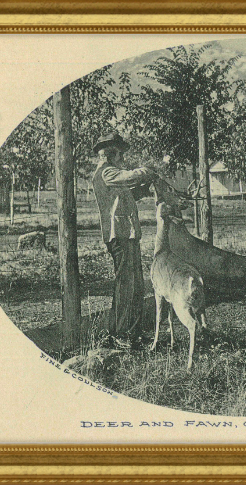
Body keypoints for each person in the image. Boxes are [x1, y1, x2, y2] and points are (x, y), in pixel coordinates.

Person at [92, 132, 158, 346]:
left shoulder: (113, 174)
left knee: (136, 285)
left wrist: (143, 189)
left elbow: (125, 194)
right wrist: (147, 171)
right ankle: (120, 334)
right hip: (118, 235)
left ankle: (133, 332)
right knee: (126, 285)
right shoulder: (106, 172)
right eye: (120, 154)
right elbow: (129, 177)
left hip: (127, 235)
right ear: (111, 154)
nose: (123, 158)